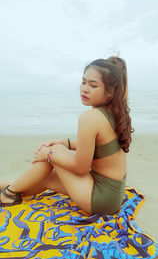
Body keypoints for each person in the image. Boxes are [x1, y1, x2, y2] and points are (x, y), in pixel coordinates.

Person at [0, 56, 133, 215]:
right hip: (112, 196)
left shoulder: (90, 118)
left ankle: (8, 195)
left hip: (101, 200)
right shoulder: (114, 111)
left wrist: (49, 155)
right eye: (83, 82)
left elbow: (81, 168)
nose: (85, 88)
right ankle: (9, 190)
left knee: (53, 151)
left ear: (110, 92)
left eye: (93, 85)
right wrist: (65, 143)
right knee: (46, 178)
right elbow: (102, 147)